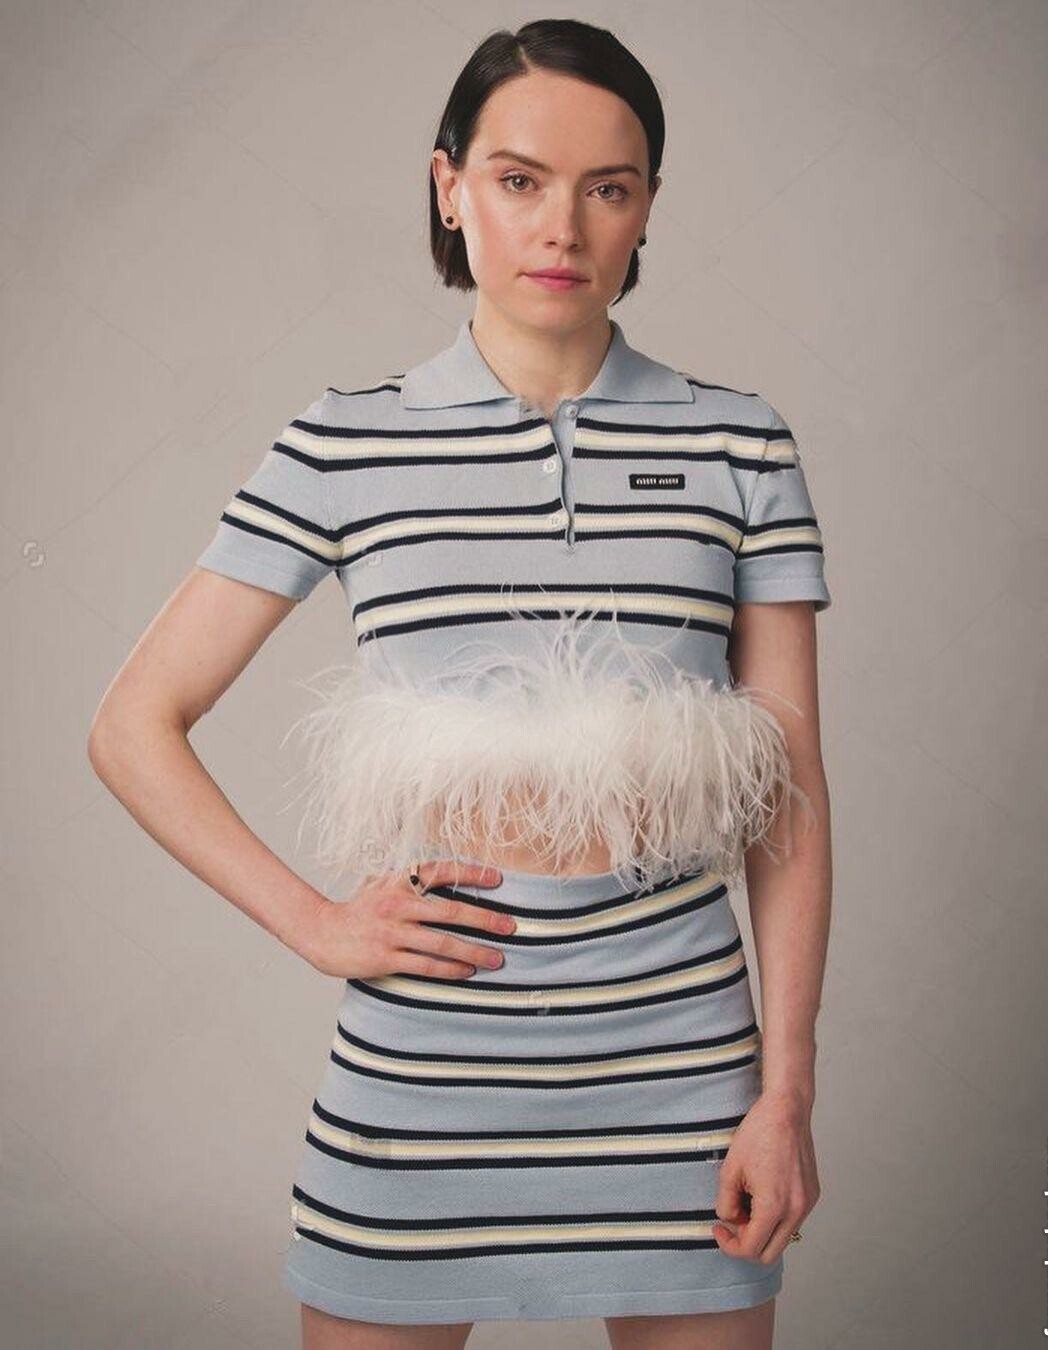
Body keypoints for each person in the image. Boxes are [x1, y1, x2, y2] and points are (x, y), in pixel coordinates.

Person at [88, 17, 832, 1350]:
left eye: (607, 187)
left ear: (647, 206)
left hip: (682, 1078)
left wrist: (785, 1093)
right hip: (423, 1077)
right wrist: (314, 923)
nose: (563, 227)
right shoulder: (345, 441)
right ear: (449, 186)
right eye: (518, 178)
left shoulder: (741, 444)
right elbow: (133, 726)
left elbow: (790, 797)